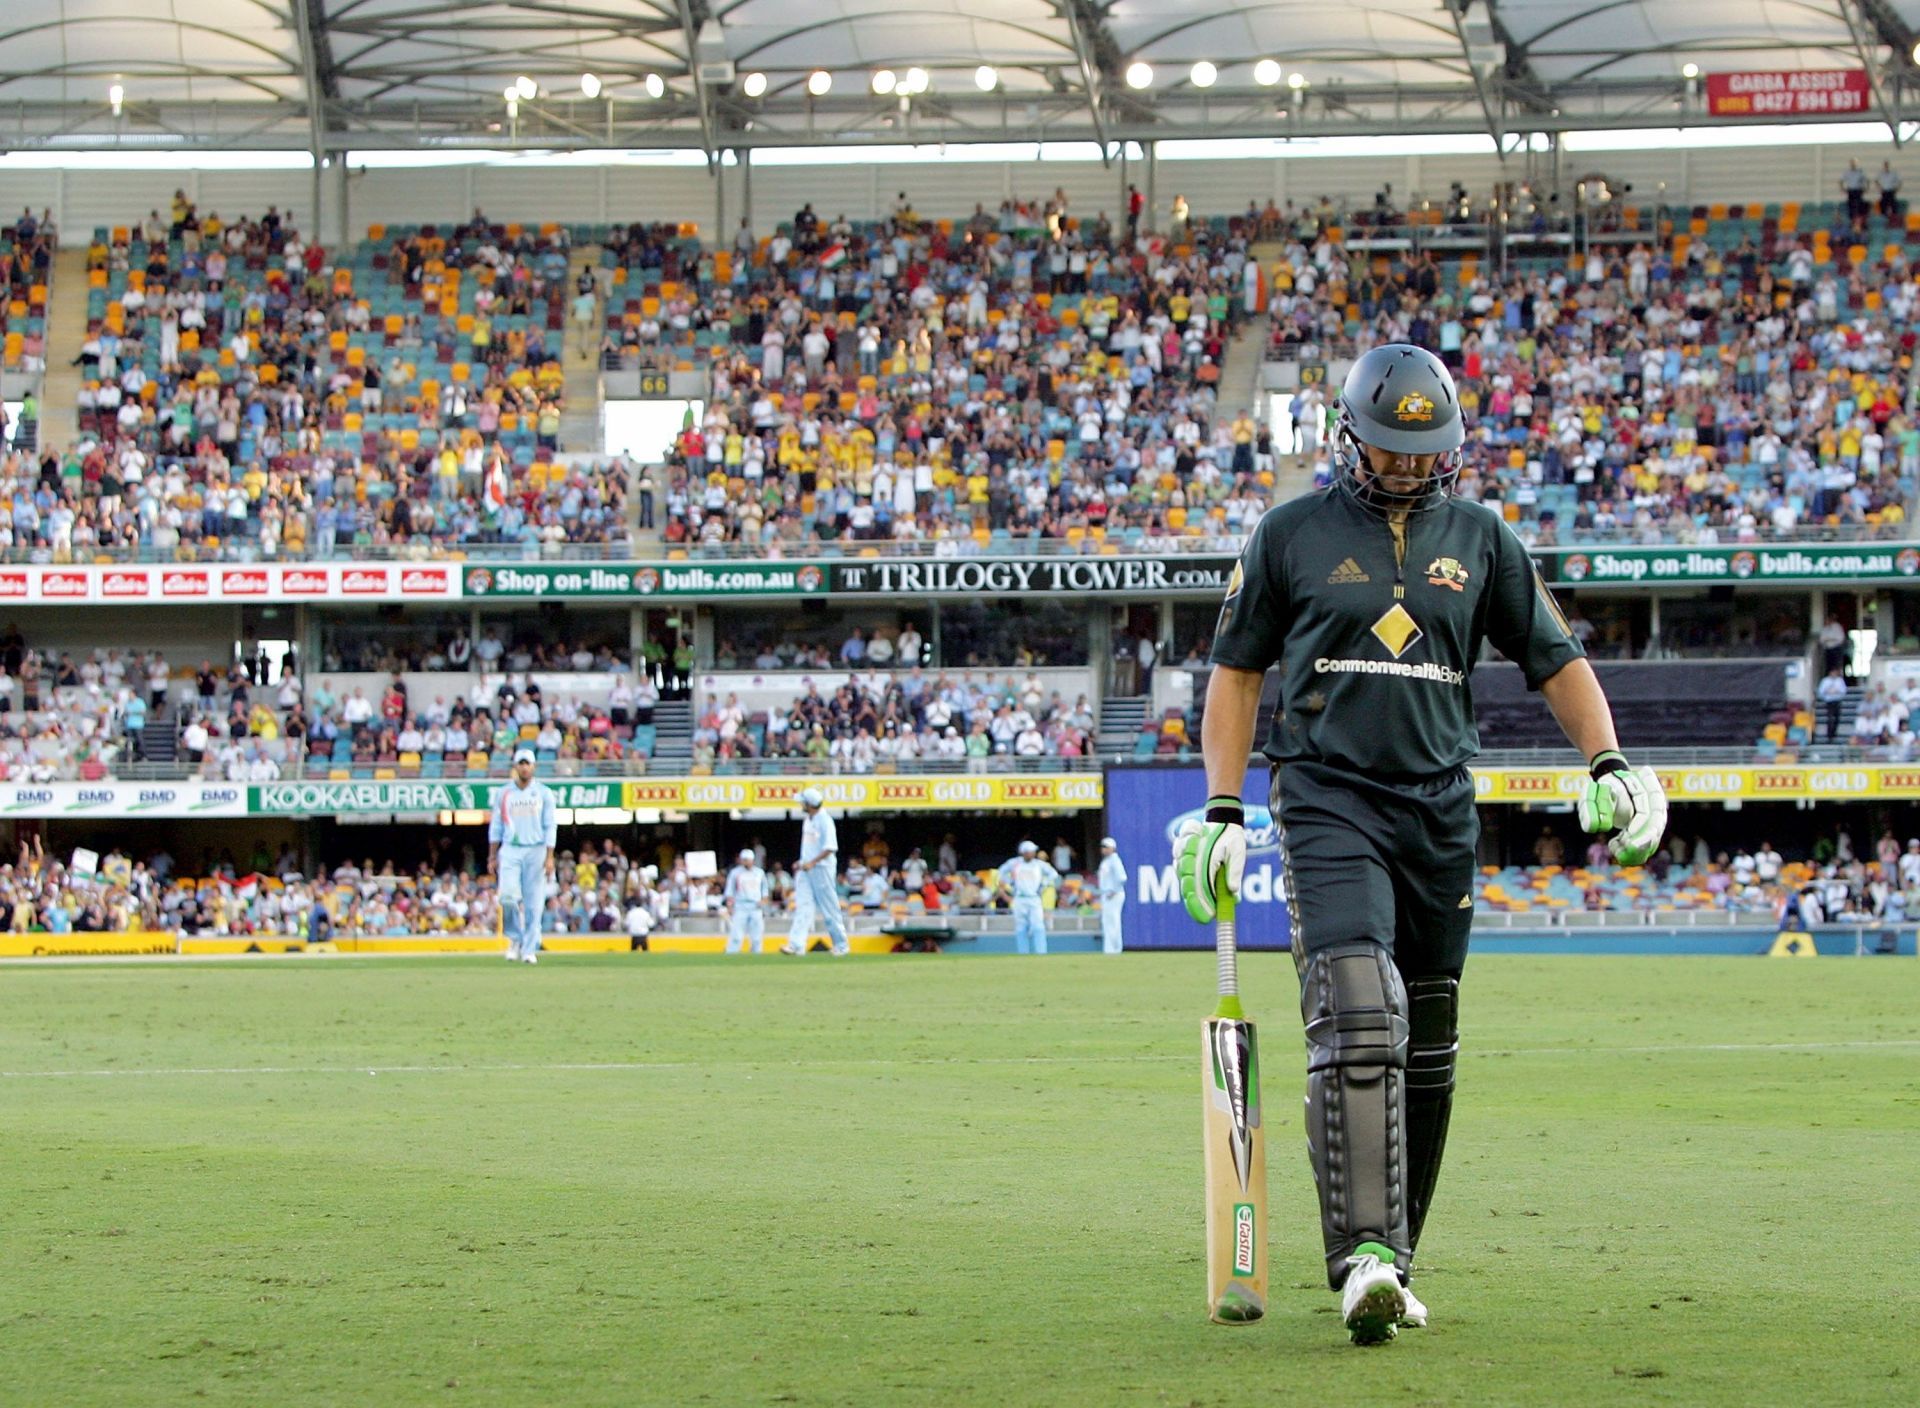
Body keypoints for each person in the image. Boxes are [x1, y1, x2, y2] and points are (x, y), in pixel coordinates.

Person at [1175, 343, 1668, 1346]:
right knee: (1361, 1009)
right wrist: (1222, 807)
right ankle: (1360, 1255)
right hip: (1325, 796)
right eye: (1392, 450)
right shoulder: (1290, 535)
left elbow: (1554, 659)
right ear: (1349, 437)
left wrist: (1611, 762)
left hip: (1440, 809)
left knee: (1429, 1045)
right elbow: (1235, 673)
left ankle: (1394, 1258)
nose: (1408, 466)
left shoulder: (1483, 539)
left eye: (1425, 451)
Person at [489, 747, 557, 964]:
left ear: (533, 766)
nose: (524, 767)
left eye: (528, 763)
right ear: (515, 766)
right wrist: (492, 855)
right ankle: (515, 939)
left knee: (533, 903)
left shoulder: (544, 793)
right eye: (521, 763)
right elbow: (496, 825)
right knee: (507, 897)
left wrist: (549, 857)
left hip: (536, 849)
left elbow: (550, 826)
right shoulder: (504, 793)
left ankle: (529, 949)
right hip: (510, 847)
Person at [781, 788, 850, 956]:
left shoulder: (825, 821)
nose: (801, 805)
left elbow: (830, 848)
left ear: (810, 804)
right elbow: (810, 847)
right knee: (803, 906)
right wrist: (802, 862)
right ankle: (796, 944)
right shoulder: (808, 820)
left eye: (803, 802)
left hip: (822, 869)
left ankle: (841, 945)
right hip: (806, 868)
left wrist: (812, 862)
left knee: (829, 907)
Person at [997, 840, 1061, 955]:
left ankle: (1041, 952)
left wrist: (1044, 884)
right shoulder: (1014, 863)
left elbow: (1053, 874)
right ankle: (1023, 952)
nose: (1032, 854)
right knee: (1021, 926)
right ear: (1024, 852)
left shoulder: (1038, 864)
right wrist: (1010, 882)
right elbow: (1001, 871)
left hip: (1034, 897)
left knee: (1038, 925)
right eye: (1030, 851)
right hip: (1019, 897)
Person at [723, 847, 768, 954]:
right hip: (740, 906)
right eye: (744, 859)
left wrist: (764, 900)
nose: (746, 862)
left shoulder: (759, 873)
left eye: (748, 859)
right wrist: (730, 905)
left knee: (757, 936)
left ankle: (757, 955)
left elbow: (764, 889)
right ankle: (732, 954)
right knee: (736, 935)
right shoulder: (735, 873)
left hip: (755, 906)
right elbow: (730, 890)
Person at [1096, 836, 1127, 954]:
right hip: (1107, 894)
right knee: (1107, 922)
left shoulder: (1115, 860)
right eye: (1102, 846)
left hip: (1114, 895)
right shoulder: (1107, 861)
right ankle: (1109, 949)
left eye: (1106, 847)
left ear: (1112, 848)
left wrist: (1114, 890)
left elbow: (1122, 878)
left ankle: (1115, 949)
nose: (1103, 849)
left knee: (1113, 922)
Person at [1817, 666, 1848, 744]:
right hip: (1829, 702)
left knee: (1837, 718)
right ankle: (1829, 736)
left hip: (1837, 701)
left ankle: (1834, 734)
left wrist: (1837, 691)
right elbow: (1820, 692)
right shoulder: (1825, 681)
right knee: (1830, 718)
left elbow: (1844, 691)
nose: (1834, 674)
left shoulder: (1840, 681)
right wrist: (1827, 692)